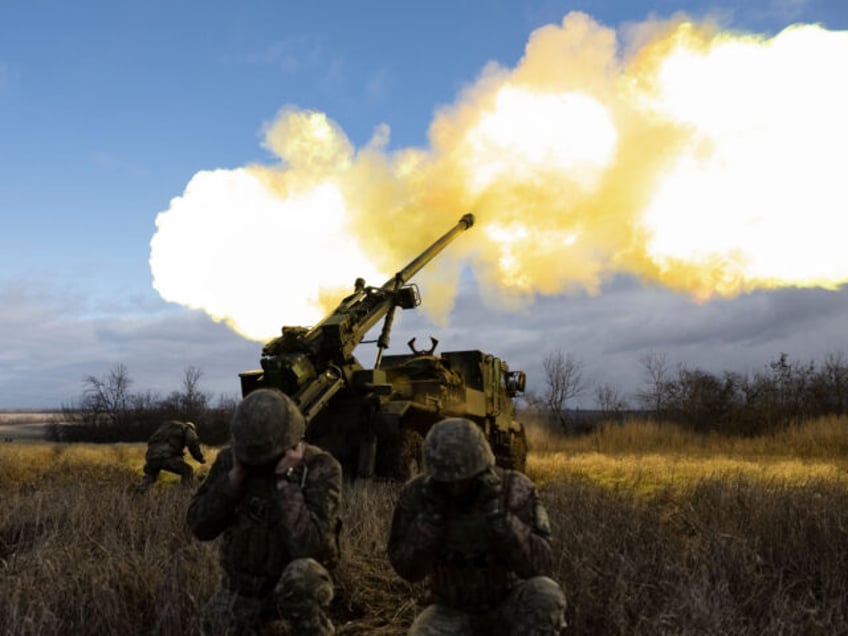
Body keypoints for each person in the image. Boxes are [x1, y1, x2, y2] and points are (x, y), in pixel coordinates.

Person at [388, 417, 567, 635]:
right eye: (447, 482)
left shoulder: (514, 489)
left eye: (464, 480)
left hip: (506, 602)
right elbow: (406, 568)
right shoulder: (418, 495)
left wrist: (500, 519)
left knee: (545, 594)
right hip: (451, 611)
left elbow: (540, 564)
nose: (455, 487)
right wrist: (430, 521)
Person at [187, 388, 342, 636]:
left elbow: (312, 547)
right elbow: (199, 526)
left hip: (291, 589)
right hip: (242, 589)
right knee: (214, 624)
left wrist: (284, 483)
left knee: (302, 577)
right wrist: (233, 481)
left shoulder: (319, 467)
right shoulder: (231, 461)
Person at [137, 419, 205, 493]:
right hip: (166, 457)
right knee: (188, 470)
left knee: (150, 476)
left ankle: (139, 492)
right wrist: (200, 458)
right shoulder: (187, 429)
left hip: (151, 457)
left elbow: (151, 441)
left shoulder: (166, 427)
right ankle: (185, 493)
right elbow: (193, 443)